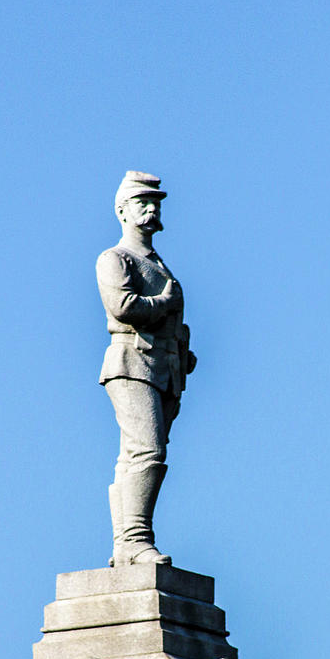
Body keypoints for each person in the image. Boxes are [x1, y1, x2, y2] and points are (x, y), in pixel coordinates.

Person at [96, 171, 196, 565]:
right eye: (143, 202)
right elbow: (123, 307)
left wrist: (182, 352)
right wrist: (164, 305)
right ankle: (135, 540)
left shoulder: (159, 265)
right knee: (146, 450)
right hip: (131, 362)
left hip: (165, 370)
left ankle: (126, 544)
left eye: (155, 202)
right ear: (122, 209)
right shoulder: (115, 258)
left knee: (137, 456)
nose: (152, 208)